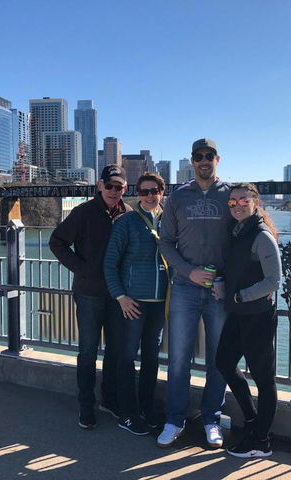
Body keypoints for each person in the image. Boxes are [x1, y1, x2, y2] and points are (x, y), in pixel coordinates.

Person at [157, 138, 233, 448]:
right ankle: (175, 419)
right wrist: (189, 271)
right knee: (178, 359)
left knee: (219, 359)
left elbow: (244, 237)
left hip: (219, 289)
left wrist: (228, 279)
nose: (204, 160)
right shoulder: (177, 197)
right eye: (198, 156)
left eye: (209, 155)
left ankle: (211, 419)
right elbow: (165, 242)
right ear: (192, 161)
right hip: (185, 287)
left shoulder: (231, 195)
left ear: (218, 159)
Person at [49, 164, 131, 429]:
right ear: (100, 186)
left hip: (119, 296)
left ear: (125, 189)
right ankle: (86, 404)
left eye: (119, 187)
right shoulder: (83, 212)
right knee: (88, 351)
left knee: (116, 351)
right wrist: (82, 269)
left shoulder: (129, 214)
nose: (114, 191)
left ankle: (110, 399)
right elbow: (57, 242)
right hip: (89, 294)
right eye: (109, 186)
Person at [214, 182, 282, 458]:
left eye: (244, 200)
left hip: (258, 316)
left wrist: (241, 296)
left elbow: (273, 281)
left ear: (255, 202)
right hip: (238, 313)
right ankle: (252, 419)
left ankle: (261, 441)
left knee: (264, 378)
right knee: (224, 362)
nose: (238, 205)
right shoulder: (237, 231)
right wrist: (223, 285)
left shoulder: (262, 236)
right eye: (232, 201)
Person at [103, 172, 168, 436]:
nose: (149, 196)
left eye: (154, 191)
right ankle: (128, 414)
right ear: (137, 194)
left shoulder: (170, 221)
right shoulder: (126, 222)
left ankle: (147, 409)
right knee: (126, 357)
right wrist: (120, 296)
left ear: (162, 192)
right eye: (144, 192)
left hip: (160, 302)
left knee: (152, 358)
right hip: (132, 302)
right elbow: (109, 263)